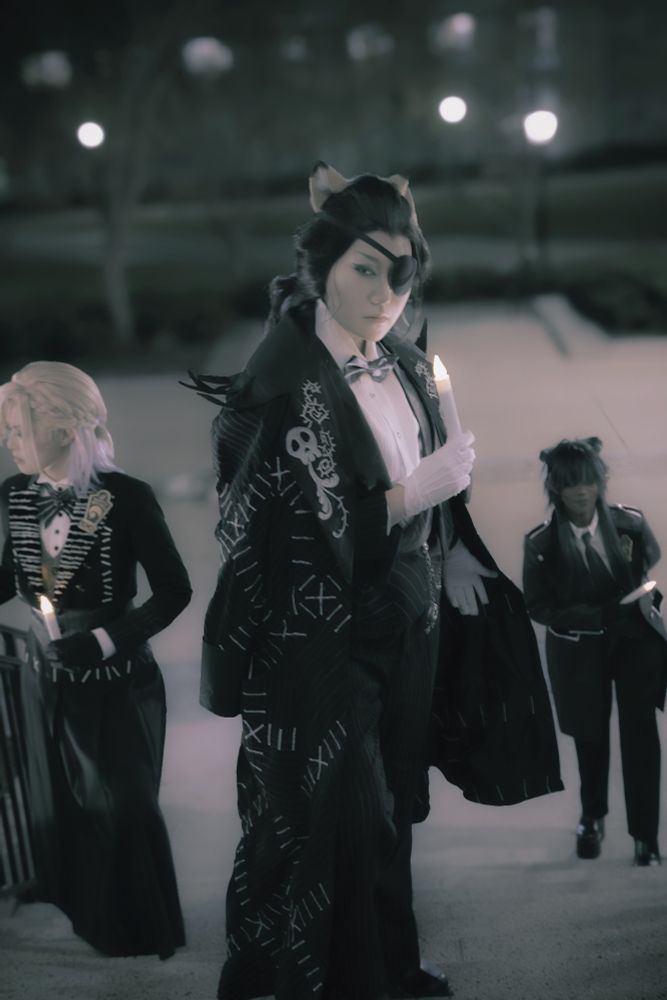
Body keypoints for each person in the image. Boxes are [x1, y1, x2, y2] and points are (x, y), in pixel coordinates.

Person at [189, 163, 562, 1000]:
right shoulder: (273, 388)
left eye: (401, 274)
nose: (384, 295)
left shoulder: (403, 363)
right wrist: (405, 496)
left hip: (409, 627)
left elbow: (439, 480)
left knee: (395, 807)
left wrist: (450, 544)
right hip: (320, 645)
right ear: (320, 265)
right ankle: (324, 980)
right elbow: (258, 537)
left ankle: (392, 967)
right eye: (364, 269)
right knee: (342, 813)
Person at [0, 361, 192, 958]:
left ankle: (141, 928)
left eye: (18, 429)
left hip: (116, 676)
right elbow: (11, 577)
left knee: (125, 803)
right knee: (63, 802)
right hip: (45, 678)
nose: (8, 442)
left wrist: (106, 640)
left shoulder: (127, 498)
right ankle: (91, 916)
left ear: (61, 428)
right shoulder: (15, 495)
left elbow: (174, 592)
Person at [523, 436, 667, 867]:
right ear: (556, 489)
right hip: (580, 648)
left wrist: (638, 601)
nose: (581, 492)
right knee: (590, 734)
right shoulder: (542, 545)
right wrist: (596, 615)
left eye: (588, 481)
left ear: (600, 482)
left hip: (634, 639)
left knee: (640, 732)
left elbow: (650, 558)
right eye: (570, 484)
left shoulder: (629, 523)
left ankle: (645, 836)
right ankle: (592, 816)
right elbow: (539, 607)